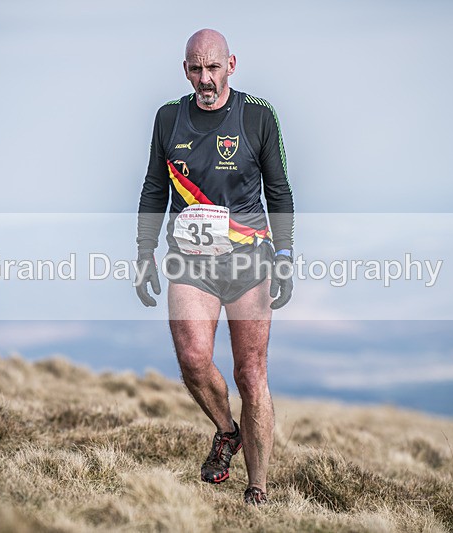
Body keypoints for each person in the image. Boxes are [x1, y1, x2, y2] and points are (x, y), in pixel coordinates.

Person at [134, 28, 294, 505]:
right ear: (186, 70)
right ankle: (227, 431)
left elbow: (279, 191)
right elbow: (152, 190)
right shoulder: (168, 119)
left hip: (250, 261)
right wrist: (144, 253)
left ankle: (257, 487)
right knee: (194, 360)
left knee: (251, 373)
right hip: (190, 261)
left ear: (231, 65)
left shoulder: (259, 116)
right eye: (196, 69)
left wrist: (285, 257)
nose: (206, 78)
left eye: (214, 68)